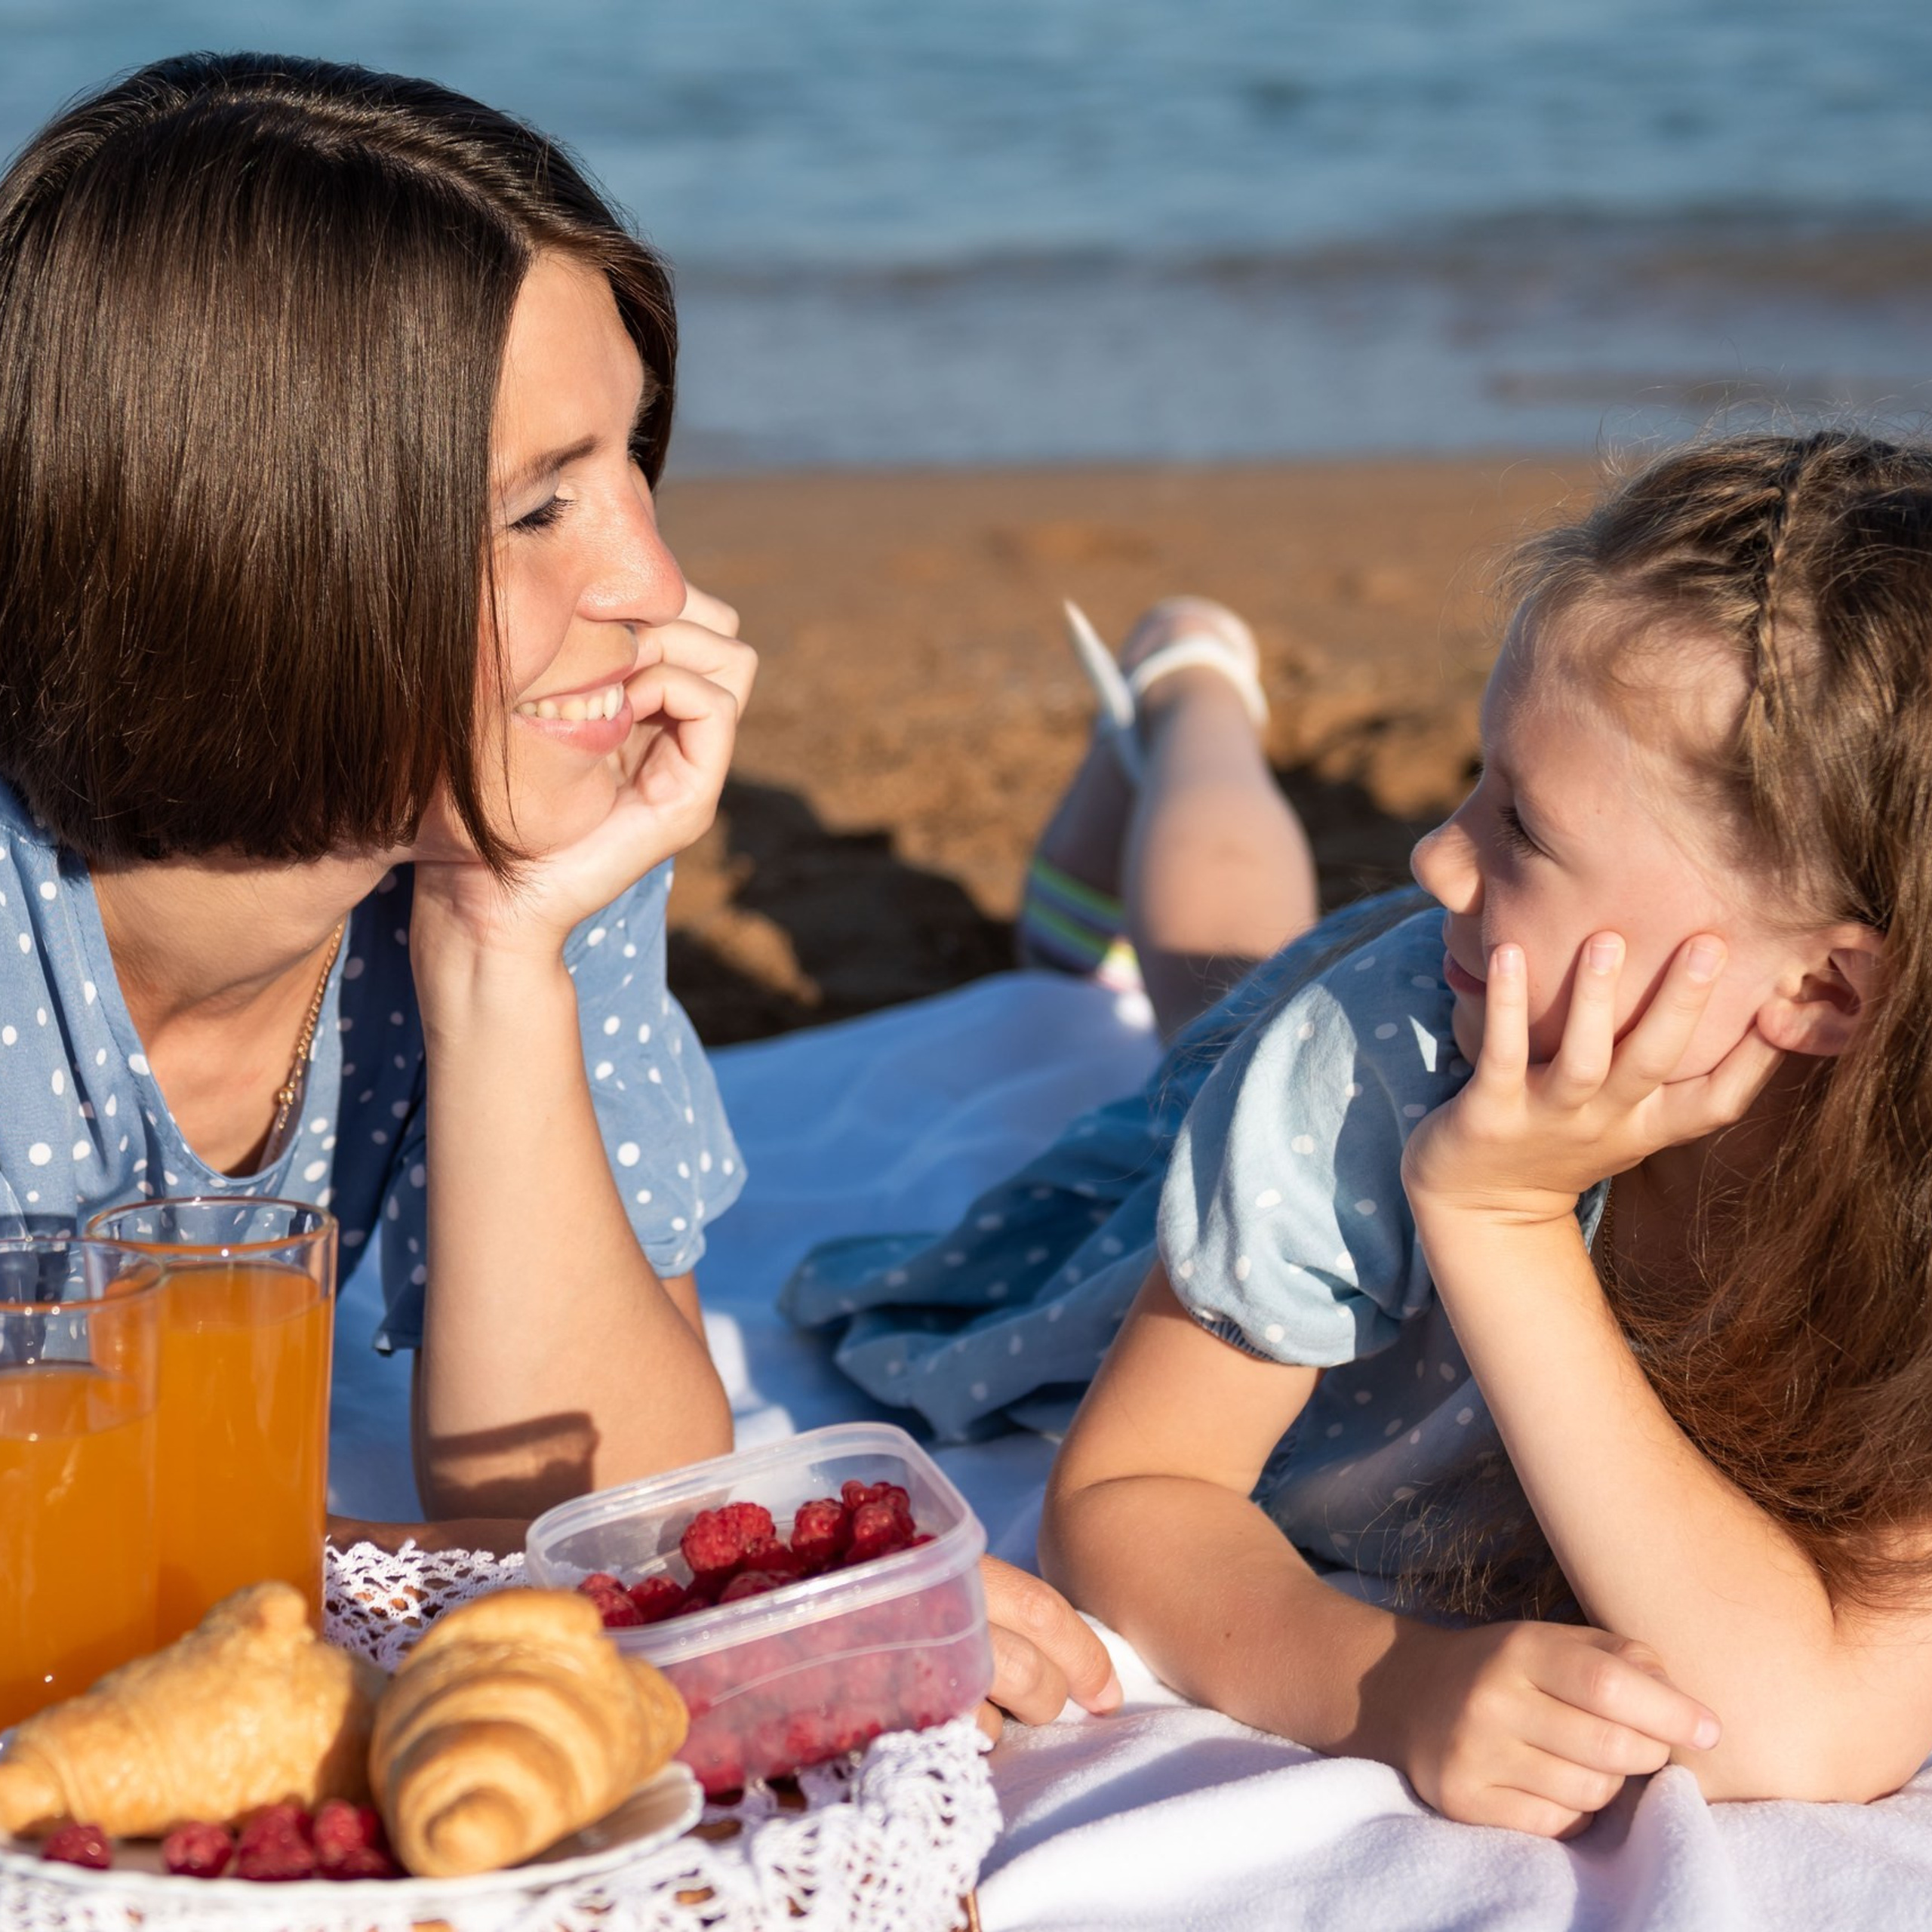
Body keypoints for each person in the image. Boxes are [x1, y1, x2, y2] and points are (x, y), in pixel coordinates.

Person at [0, 51, 1115, 1736]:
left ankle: (1173, 716)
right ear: (247, 550)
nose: (654, 584)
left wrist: (502, 944)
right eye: (537, 507)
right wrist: (544, 1592)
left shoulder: (497, 827)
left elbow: (593, 1494)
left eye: (633, 465)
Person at [791, 430, 1932, 1824]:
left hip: (1416, 1017)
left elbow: (1804, 1732)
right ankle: (1189, 694)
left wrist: (1502, 1227)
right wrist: (1388, 1683)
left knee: (1219, 975)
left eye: (1526, 826)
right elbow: (1138, 1487)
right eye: (1474, 777)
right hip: (1363, 1041)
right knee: (1209, 995)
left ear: (1825, 985)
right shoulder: (1377, 1053)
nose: (1436, 849)